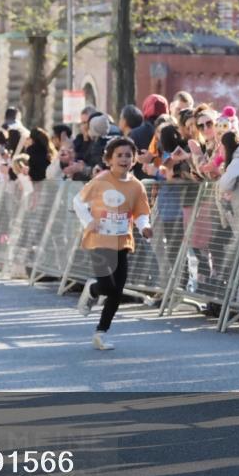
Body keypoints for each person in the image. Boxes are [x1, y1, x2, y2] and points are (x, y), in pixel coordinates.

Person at [72, 136, 152, 350]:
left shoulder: (136, 186)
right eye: (119, 155)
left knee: (117, 291)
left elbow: (141, 213)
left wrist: (144, 227)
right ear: (109, 159)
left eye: (128, 155)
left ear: (134, 160)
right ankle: (93, 289)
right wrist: (89, 222)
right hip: (99, 239)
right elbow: (78, 202)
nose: (124, 159)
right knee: (107, 285)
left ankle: (101, 333)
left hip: (122, 241)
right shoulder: (101, 180)